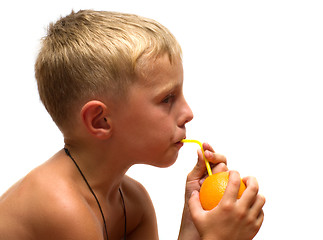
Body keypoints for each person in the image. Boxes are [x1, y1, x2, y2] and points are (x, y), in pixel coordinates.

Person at [0, 10, 265, 240]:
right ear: (100, 120)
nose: (188, 113)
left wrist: (193, 229)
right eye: (167, 99)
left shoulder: (133, 202)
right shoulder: (62, 208)